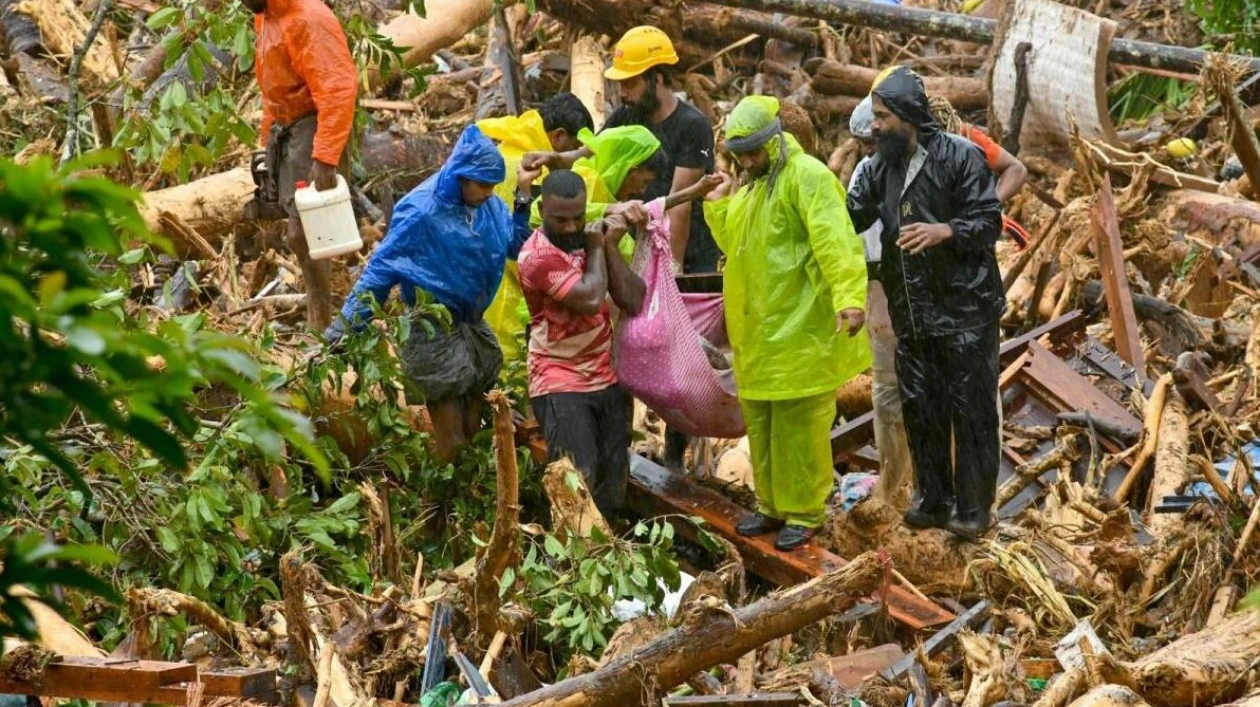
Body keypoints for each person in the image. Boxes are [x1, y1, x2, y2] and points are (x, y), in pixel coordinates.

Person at [703, 96, 870, 551]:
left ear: (774, 141)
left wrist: (850, 297)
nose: (748, 162)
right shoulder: (753, 187)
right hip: (758, 333)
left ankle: (806, 511)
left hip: (799, 331)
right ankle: (772, 505)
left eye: (754, 152)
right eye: (741, 156)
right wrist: (718, 206)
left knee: (801, 427)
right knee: (762, 423)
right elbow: (735, 244)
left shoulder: (809, 178)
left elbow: (837, 241)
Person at [846, 67, 1004, 540]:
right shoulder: (877, 169)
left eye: (882, 117)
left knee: (971, 412)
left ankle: (974, 508)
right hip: (912, 312)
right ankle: (932, 498)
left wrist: (946, 230)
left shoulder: (961, 157)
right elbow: (847, 217)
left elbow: (989, 220)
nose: (874, 126)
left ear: (909, 117)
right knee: (921, 407)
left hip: (965, 312)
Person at [325, 125, 531, 463]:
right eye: (482, 186)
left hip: (470, 324)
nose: (488, 193)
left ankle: (465, 494)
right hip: (431, 329)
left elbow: (516, 245)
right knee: (451, 436)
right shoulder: (421, 211)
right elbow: (380, 271)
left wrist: (522, 193)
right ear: (462, 177)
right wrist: (344, 330)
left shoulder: (488, 208)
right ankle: (443, 506)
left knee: (475, 418)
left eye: (493, 187)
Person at [603, 26, 720, 473]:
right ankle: (623, 445)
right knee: (626, 347)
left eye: (631, 83)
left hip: (686, 257)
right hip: (637, 252)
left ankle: (674, 456)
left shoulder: (691, 126)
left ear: (657, 78)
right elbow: (598, 167)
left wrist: (669, 271)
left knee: (680, 356)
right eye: (620, 84)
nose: (624, 92)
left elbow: (682, 206)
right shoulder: (622, 120)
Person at [517, 170, 648, 518]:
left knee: (613, 481)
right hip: (560, 379)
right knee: (577, 482)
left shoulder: (591, 241)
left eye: (578, 217)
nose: (572, 227)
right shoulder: (536, 257)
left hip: (609, 374)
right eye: (561, 219)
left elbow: (633, 299)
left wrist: (609, 247)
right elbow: (590, 299)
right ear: (542, 208)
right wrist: (595, 247)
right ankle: (571, 563)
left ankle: (608, 560)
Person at [245, 0, 358, 332]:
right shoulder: (266, 17)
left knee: (305, 231)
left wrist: (325, 156)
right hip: (289, 130)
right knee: (298, 234)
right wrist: (267, 140)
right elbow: (273, 86)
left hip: (313, 127)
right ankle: (321, 313)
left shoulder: (308, 18)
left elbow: (337, 87)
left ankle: (323, 322)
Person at [480, 94, 596, 363]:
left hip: (481, 287)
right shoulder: (536, 172)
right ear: (557, 137)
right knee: (510, 385)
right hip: (508, 298)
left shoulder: (503, 152)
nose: (572, 158)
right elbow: (526, 246)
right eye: (573, 147)